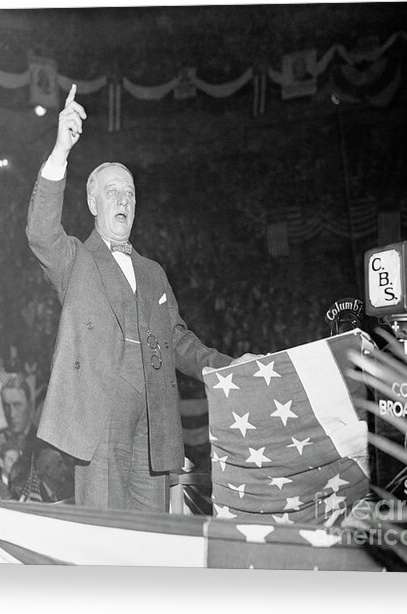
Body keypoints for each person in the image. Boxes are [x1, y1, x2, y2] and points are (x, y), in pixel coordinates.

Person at [26, 85, 254, 512]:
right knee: (104, 541)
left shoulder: (153, 273)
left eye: (130, 193)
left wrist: (229, 366)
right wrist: (60, 151)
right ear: (93, 201)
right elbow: (40, 233)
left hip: (156, 423)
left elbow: (180, 343)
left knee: (148, 542)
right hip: (101, 416)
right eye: (113, 191)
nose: (124, 200)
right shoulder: (77, 260)